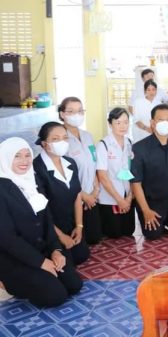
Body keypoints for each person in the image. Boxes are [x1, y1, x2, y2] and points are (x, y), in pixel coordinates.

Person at [0, 137, 83, 307]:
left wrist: (56, 250)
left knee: (74, 285)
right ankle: (7, 283)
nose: (24, 161)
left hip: (42, 249)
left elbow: (47, 220)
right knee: (54, 296)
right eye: (17, 156)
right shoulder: (2, 189)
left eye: (27, 155)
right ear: (5, 158)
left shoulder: (33, 180)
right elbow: (7, 238)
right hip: (15, 258)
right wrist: (41, 263)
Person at [33, 122, 90, 265]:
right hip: (49, 226)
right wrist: (61, 236)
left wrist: (79, 226)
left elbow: (77, 195)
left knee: (82, 255)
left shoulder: (70, 163)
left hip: (69, 222)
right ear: (44, 144)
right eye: (56, 139)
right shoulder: (37, 168)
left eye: (65, 138)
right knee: (66, 264)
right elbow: (42, 210)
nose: (62, 142)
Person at [130, 105, 168, 240]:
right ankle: (159, 222)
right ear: (152, 123)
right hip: (151, 201)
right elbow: (135, 182)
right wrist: (145, 210)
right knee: (153, 234)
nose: (165, 123)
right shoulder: (139, 148)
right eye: (160, 120)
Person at [58, 97, 102, 245]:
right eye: (71, 111)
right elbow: (63, 175)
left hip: (92, 196)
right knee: (80, 244)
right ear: (62, 114)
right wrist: (84, 196)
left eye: (79, 111)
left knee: (95, 238)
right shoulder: (60, 140)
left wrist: (95, 190)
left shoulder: (87, 136)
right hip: (75, 198)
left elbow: (93, 164)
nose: (76, 115)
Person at [96, 108, 135, 239]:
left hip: (127, 194)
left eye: (125, 122)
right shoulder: (103, 145)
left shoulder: (130, 143)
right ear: (110, 124)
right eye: (118, 123)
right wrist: (119, 200)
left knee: (128, 231)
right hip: (110, 197)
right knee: (114, 234)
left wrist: (129, 198)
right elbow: (102, 176)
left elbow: (132, 171)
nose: (123, 126)